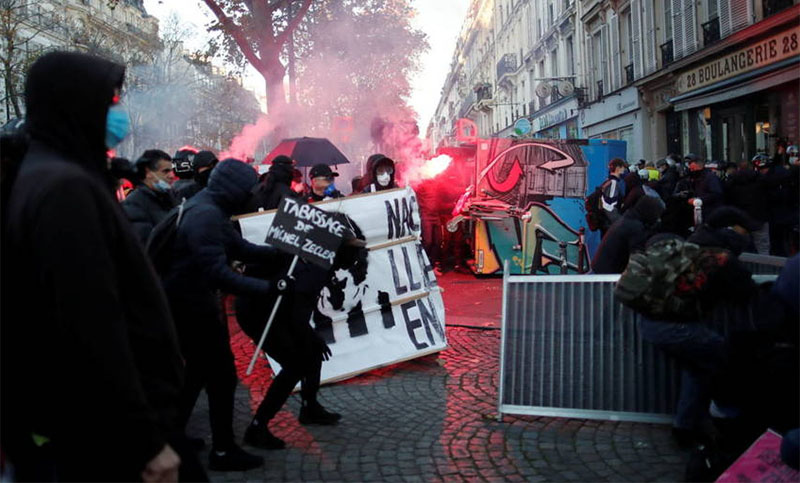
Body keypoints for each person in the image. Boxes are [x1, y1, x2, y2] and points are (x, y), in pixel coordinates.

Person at [1, 51, 185, 481]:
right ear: (76, 104)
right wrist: (145, 440)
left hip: (87, 424)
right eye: (112, 99)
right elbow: (92, 323)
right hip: (108, 438)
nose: (120, 110)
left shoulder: (48, 174)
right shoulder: (65, 187)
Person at [162, 158, 289, 471]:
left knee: (195, 375)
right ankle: (223, 450)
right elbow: (219, 273)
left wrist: (276, 253)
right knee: (221, 377)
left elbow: (238, 247)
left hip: (188, 302)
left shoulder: (208, 208)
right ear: (234, 190)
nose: (254, 195)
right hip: (191, 307)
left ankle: (172, 437)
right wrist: (268, 288)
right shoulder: (205, 215)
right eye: (250, 190)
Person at [638, 207, 760, 447]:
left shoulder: (695, 241)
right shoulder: (721, 254)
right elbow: (744, 291)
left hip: (653, 322)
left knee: (698, 369)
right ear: (733, 231)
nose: (748, 239)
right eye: (745, 233)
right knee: (727, 360)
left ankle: (685, 428)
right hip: (676, 327)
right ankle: (728, 419)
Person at [591, 195, 665, 274]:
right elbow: (638, 260)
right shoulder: (635, 228)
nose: (658, 219)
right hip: (607, 278)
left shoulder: (627, 219)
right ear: (650, 212)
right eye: (657, 214)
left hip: (601, 273)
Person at [122, 149, 177, 245]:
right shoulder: (134, 204)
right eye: (165, 171)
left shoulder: (171, 198)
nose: (171, 176)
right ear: (148, 173)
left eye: (171, 171)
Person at [725, 156, 770, 254]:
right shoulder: (760, 179)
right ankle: (764, 268)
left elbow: (727, 198)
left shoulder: (732, 181)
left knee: (739, 246)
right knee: (762, 246)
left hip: (739, 219)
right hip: (759, 217)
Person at [598, 157, 627, 236]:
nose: (624, 169)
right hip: (610, 224)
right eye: (623, 167)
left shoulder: (608, 181)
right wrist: (618, 222)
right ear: (617, 168)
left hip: (606, 223)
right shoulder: (614, 183)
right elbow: (609, 205)